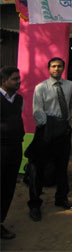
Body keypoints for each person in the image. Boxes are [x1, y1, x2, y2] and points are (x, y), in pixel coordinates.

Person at [26, 57, 72, 222]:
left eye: (59, 66)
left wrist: (69, 122)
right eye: (53, 66)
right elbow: (37, 110)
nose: (56, 69)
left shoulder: (70, 85)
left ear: (63, 68)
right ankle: (35, 205)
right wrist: (48, 128)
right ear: (48, 69)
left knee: (61, 168)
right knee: (38, 170)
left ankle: (61, 198)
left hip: (63, 132)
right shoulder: (41, 87)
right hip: (45, 132)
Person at [0, 67, 24, 240]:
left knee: (8, 186)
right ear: (4, 81)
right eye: (15, 79)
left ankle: (0, 221)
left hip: (16, 148)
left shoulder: (19, 99)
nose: (18, 82)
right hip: (1, 149)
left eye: (19, 78)